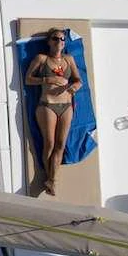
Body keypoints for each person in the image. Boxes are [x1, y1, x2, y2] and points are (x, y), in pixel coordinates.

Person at [25, 27, 83, 194]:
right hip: (47, 104)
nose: (60, 42)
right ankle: (47, 178)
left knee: (60, 145)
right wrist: (48, 79)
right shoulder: (42, 59)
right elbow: (28, 79)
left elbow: (78, 80)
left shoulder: (69, 59)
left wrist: (75, 86)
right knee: (49, 143)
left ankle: (52, 181)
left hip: (66, 105)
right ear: (49, 41)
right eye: (56, 39)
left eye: (63, 39)